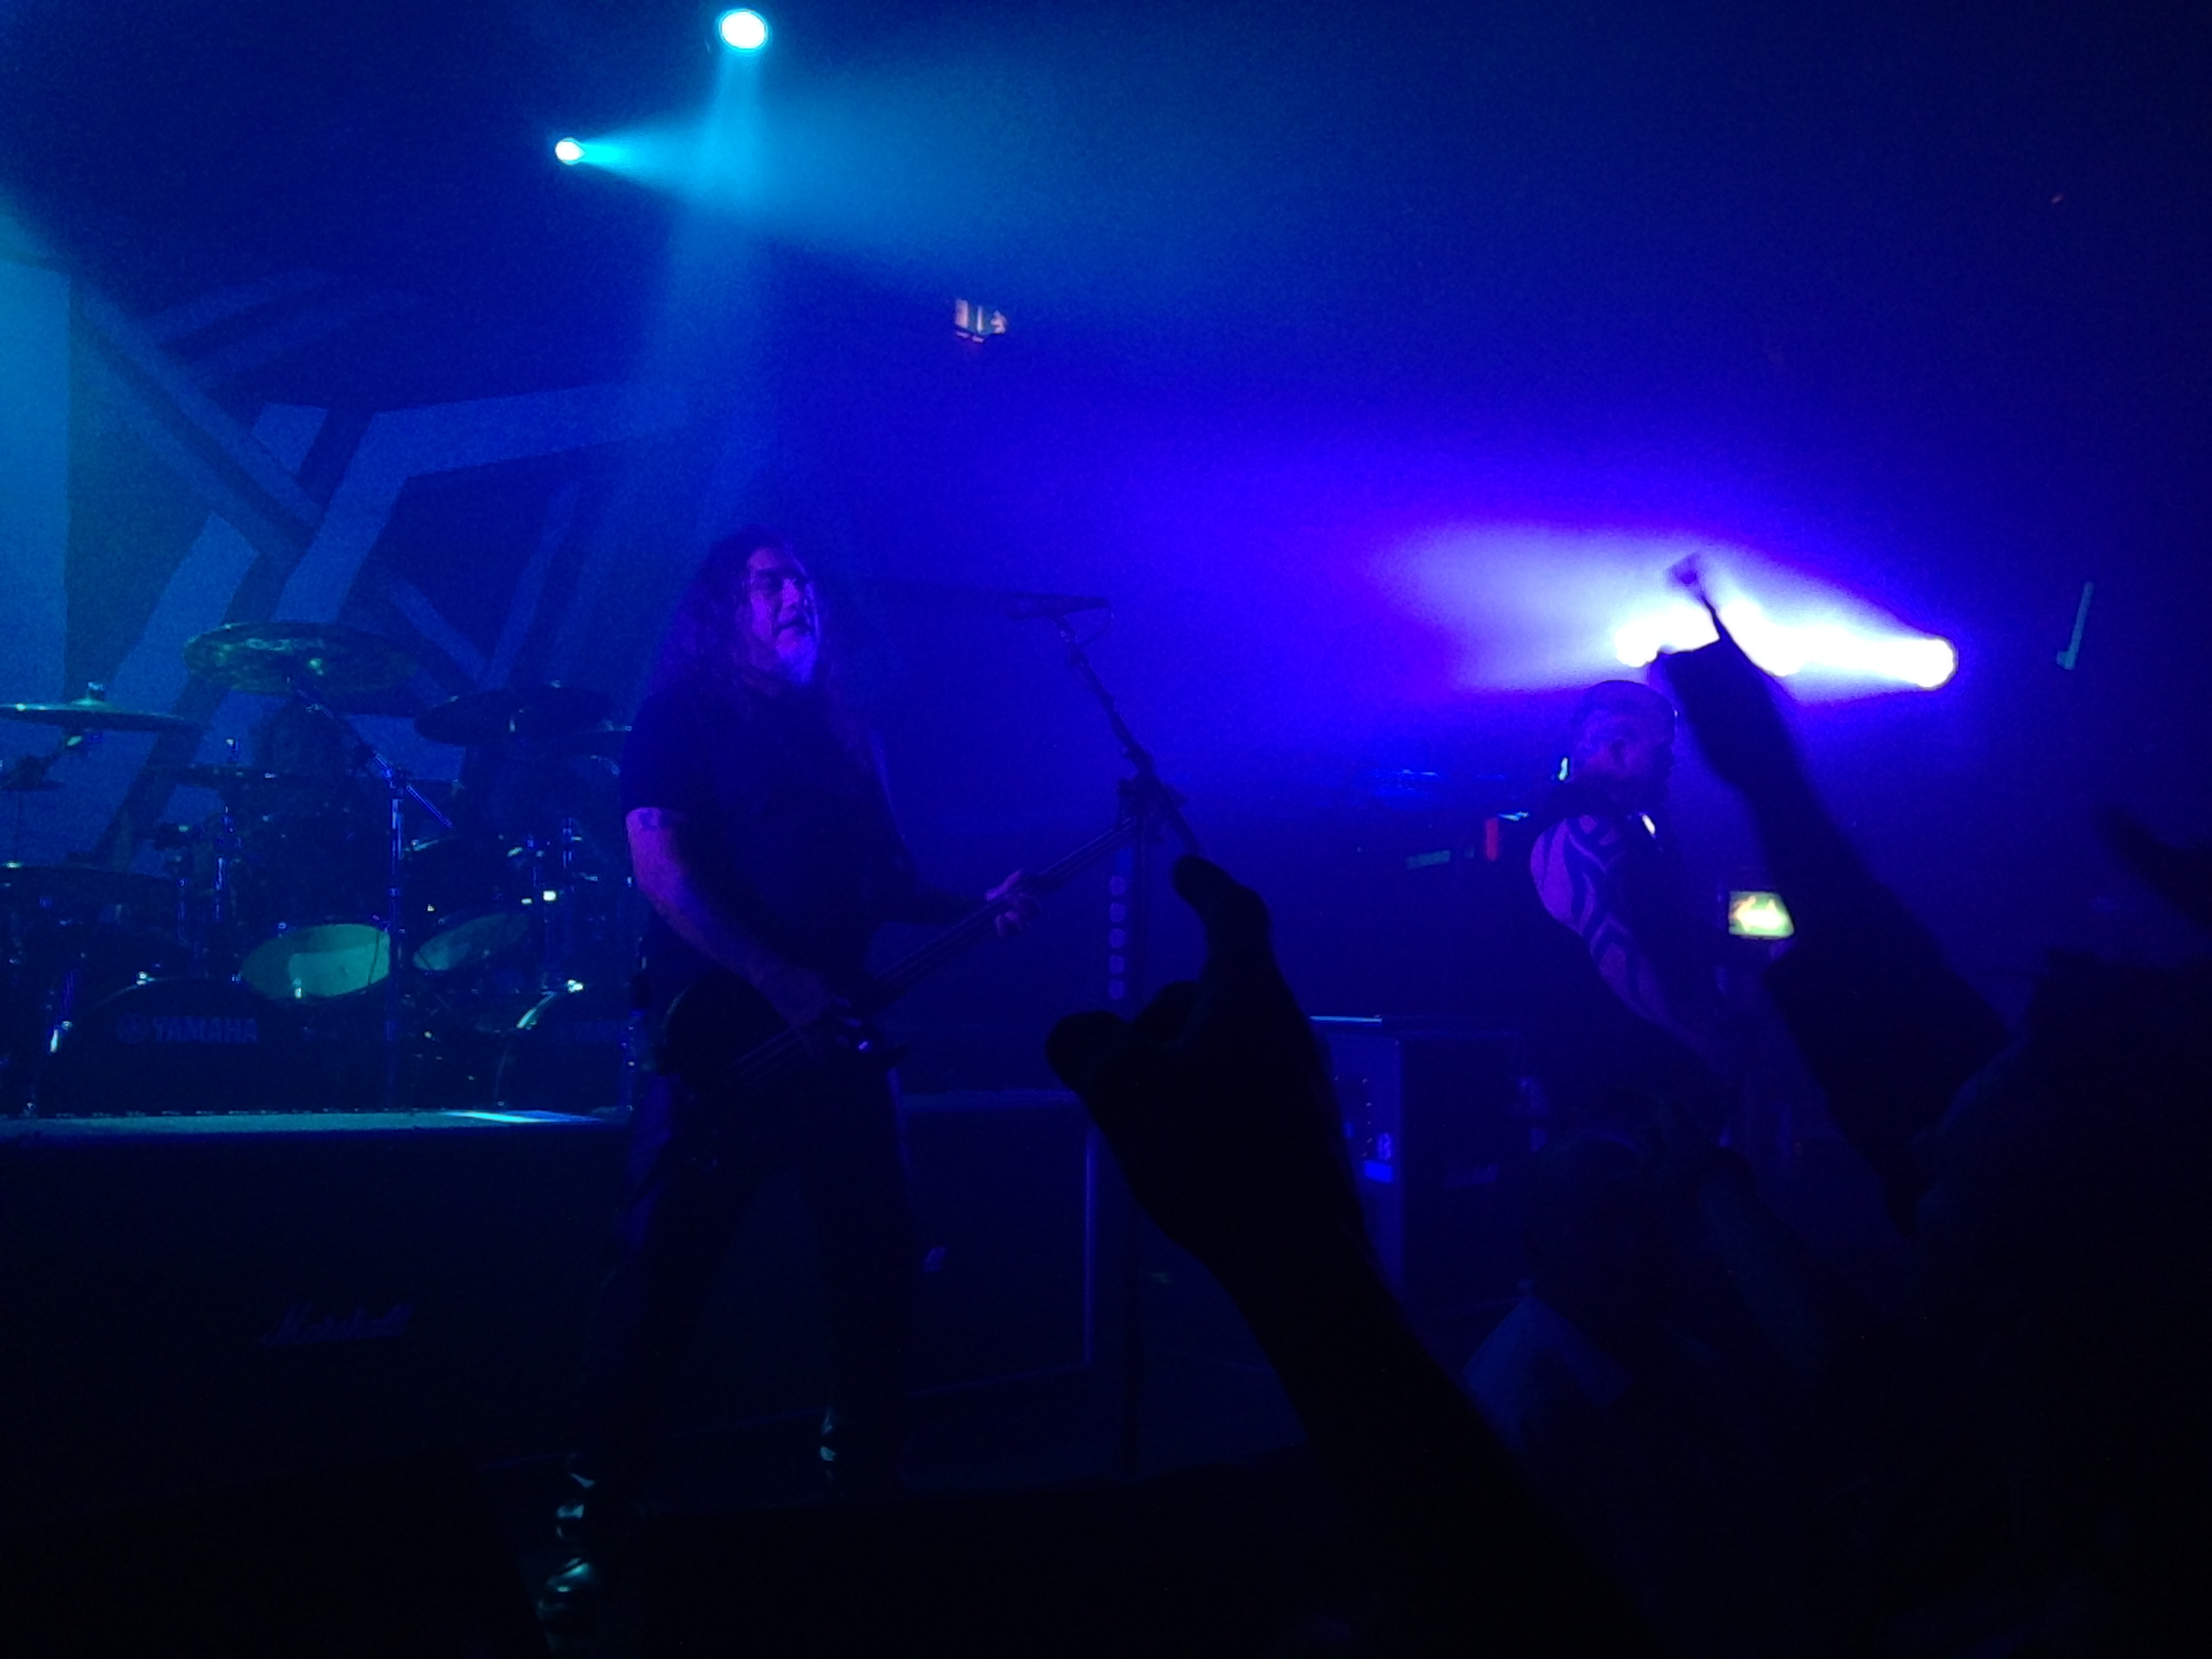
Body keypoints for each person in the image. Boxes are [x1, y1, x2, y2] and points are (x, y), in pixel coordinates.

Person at [538, 530, 1033, 1630]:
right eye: (770, 583)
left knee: (878, 1266)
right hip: (720, 1043)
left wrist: (976, 910)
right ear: (727, 607)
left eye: (802, 581)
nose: (794, 595)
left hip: (837, 1043)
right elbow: (664, 870)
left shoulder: (850, 735)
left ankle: (864, 1487)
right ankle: (591, 1526)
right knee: (654, 1286)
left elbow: (891, 883)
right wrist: (780, 980)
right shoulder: (682, 719)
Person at [1510, 679, 1734, 1137]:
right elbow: (1616, 954)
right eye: (1661, 749)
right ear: (1618, 748)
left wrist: (1750, 958)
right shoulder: (1583, 829)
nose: (1669, 762)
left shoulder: (1617, 826)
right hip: (1612, 1082)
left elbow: (1659, 924)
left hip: (1629, 1074)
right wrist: (1693, 1039)